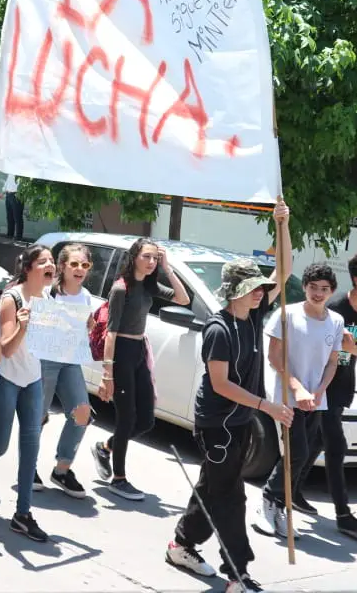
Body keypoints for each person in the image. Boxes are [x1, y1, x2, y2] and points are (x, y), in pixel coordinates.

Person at [165, 218, 292, 593]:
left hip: (240, 422)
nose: (261, 293)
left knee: (212, 486)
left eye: (261, 288)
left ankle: (181, 545)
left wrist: (282, 223)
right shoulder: (218, 330)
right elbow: (221, 385)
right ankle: (238, 573)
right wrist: (266, 406)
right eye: (253, 288)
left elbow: (284, 270)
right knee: (231, 496)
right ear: (236, 291)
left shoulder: (254, 316)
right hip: (216, 425)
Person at [296, 252, 357, 536]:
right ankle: (343, 514)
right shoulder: (335, 307)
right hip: (321, 385)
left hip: (343, 384)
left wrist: (350, 347)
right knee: (336, 446)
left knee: (317, 440)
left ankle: (289, 490)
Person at [92, 238, 190, 500]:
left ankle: (105, 447)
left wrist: (167, 268)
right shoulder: (121, 288)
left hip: (139, 351)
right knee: (126, 418)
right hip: (122, 353)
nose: (151, 262)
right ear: (134, 257)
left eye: (155, 258)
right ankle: (119, 479)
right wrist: (107, 374)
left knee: (146, 420)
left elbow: (183, 299)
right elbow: (111, 333)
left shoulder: (149, 285)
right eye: (146, 256)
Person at [257, 262, 343, 539]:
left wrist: (319, 392)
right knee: (298, 453)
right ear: (304, 287)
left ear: (331, 291)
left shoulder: (336, 321)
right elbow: (274, 357)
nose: (318, 293)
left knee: (301, 455)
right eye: (313, 287)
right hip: (287, 396)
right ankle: (268, 501)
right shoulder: (287, 314)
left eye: (324, 289)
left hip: (315, 399)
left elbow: (333, 362)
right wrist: (297, 389)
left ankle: (279, 505)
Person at [0, 244, 51, 542]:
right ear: (28, 268)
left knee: (31, 448)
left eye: (52, 261)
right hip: (6, 379)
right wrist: (22, 327)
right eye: (43, 261)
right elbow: (5, 348)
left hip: (33, 380)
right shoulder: (12, 298)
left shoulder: (49, 298)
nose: (50, 266)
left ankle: (23, 514)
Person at [37, 243, 96, 498]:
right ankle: (28, 468)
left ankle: (62, 470)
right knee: (38, 415)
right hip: (45, 359)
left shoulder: (86, 296)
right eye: (74, 264)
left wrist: (88, 325)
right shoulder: (47, 292)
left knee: (82, 412)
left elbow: (85, 328)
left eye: (85, 264)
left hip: (70, 360)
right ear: (62, 266)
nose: (79, 269)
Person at [0, 174, 24, 241]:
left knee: (17, 217)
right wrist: (3, 192)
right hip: (8, 195)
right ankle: (10, 234)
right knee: (9, 216)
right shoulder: (11, 171)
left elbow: (22, 185)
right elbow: (7, 182)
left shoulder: (22, 171)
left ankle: (18, 237)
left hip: (17, 195)